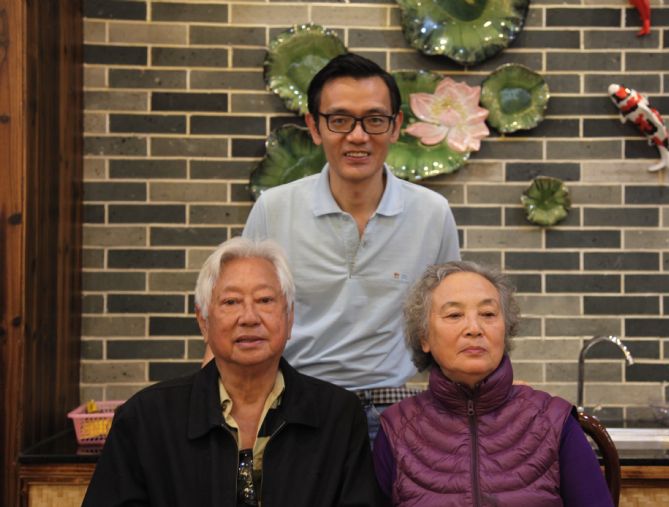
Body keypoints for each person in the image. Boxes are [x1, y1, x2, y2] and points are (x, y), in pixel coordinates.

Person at [239, 53, 460, 435]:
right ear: (314, 126)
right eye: (339, 120)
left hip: (396, 412)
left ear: (395, 126)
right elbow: (234, 318)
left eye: (374, 120)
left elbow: (451, 320)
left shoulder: (432, 213)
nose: (358, 136)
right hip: (294, 407)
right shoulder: (274, 209)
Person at [83, 237, 384, 507]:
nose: (249, 317)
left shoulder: (339, 416)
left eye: (265, 300)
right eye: (231, 302)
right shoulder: (145, 419)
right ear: (203, 322)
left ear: (290, 317)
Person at [373, 261, 613, 506]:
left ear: (505, 329)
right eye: (454, 315)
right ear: (424, 337)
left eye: (488, 314)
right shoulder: (396, 428)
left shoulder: (554, 421)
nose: (474, 328)